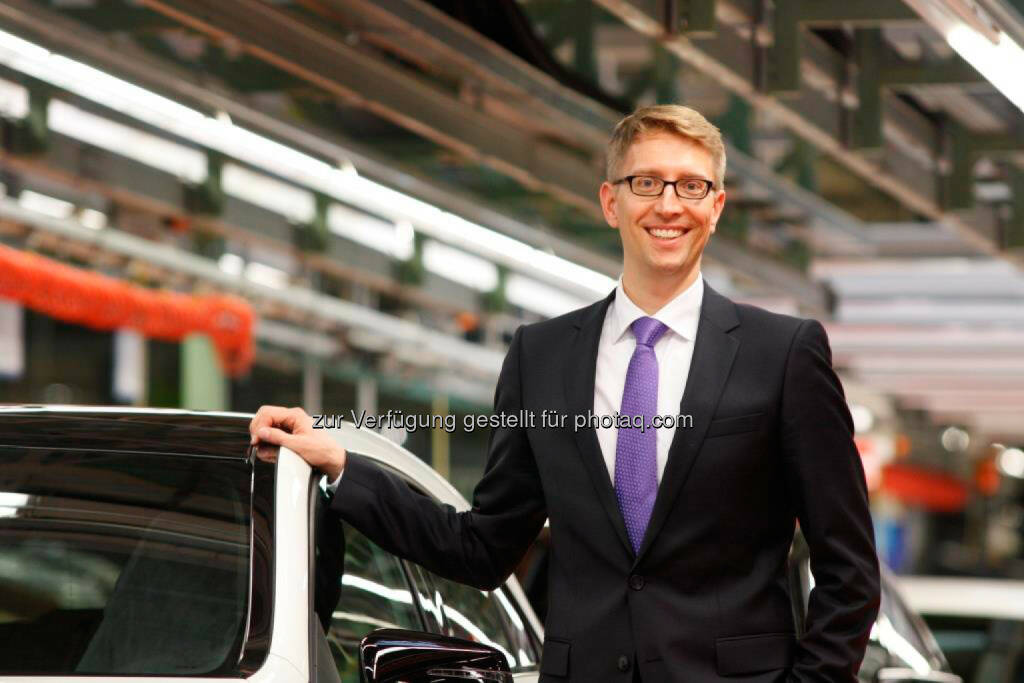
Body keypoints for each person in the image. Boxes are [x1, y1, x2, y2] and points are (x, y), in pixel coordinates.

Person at [250, 104, 881, 682]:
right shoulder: (541, 356)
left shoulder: (784, 354)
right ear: (611, 202)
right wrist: (341, 463)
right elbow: (481, 546)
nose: (669, 204)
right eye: (646, 183)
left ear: (716, 207)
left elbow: (848, 568)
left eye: (691, 186)